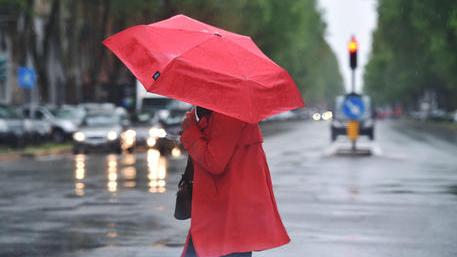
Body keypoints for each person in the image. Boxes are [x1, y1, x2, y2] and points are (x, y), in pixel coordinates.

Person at [180, 106, 290, 257]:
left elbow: (214, 161)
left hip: (230, 212)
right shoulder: (210, 109)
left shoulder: (229, 112)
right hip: (221, 209)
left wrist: (191, 131)